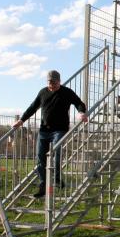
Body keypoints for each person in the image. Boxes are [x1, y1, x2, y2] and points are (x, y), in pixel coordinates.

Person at [13, 70, 88, 198]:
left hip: (59, 130)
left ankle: (57, 179)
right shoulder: (43, 92)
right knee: (40, 157)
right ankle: (43, 185)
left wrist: (81, 112)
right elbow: (33, 107)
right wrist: (21, 120)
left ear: (59, 81)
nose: (51, 85)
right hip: (44, 131)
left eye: (54, 83)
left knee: (56, 152)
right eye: (49, 83)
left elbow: (79, 103)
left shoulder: (66, 92)